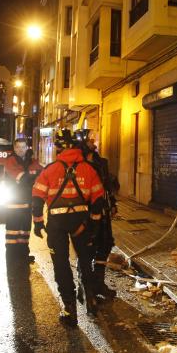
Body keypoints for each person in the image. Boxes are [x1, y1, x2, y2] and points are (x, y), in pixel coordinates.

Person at [32, 129, 104, 327]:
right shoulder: (89, 169)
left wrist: (38, 222)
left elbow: (37, 198)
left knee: (61, 264)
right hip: (81, 223)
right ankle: (91, 300)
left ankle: (69, 308)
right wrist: (94, 224)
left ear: (58, 150)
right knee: (85, 259)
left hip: (57, 223)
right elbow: (98, 200)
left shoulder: (50, 169)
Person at [81, 133, 119, 301]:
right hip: (84, 213)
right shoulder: (78, 164)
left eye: (93, 140)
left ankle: (99, 283)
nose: (93, 142)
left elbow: (106, 186)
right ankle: (86, 285)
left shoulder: (101, 162)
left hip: (102, 211)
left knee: (105, 244)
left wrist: (112, 202)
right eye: (89, 141)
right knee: (86, 247)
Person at [3, 139, 42, 263]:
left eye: (23, 147)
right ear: (14, 148)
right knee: (13, 231)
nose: (20, 149)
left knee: (25, 230)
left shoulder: (31, 160)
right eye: (18, 147)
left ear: (26, 148)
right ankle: (11, 255)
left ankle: (23, 254)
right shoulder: (10, 161)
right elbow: (23, 178)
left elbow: (41, 173)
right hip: (13, 203)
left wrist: (31, 174)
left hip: (27, 202)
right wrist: (32, 174)